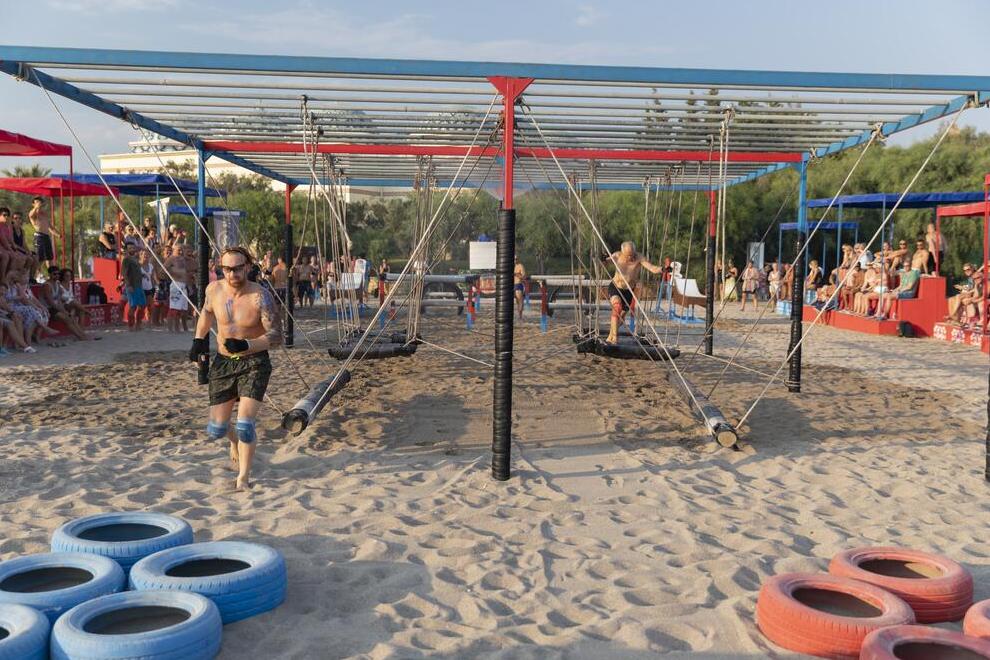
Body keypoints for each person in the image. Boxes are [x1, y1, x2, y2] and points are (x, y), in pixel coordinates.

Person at [190, 246, 282, 491]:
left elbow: (276, 335)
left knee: (245, 425)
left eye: (238, 268)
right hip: (223, 362)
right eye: (227, 269)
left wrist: (246, 344)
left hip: (254, 362)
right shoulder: (214, 290)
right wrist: (198, 341)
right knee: (216, 429)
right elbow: (206, 314)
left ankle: (243, 477)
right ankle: (233, 443)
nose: (232, 274)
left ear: (248, 267)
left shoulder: (260, 296)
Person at [601, 241, 663, 344]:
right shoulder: (617, 256)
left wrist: (663, 269)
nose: (630, 257)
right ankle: (615, 339)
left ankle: (610, 336)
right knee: (617, 307)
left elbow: (652, 268)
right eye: (628, 255)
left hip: (629, 291)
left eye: (632, 254)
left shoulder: (639, 258)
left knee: (621, 317)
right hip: (616, 287)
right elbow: (606, 263)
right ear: (622, 252)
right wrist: (603, 259)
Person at [28, 197, 58, 272]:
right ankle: (34, 275)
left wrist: (58, 234)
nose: (39, 203)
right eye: (37, 202)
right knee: (40, 258)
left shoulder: (44, 214)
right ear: (33, 204)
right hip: (39, 237)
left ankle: (51, 274)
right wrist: (36, 207)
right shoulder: (33, 214)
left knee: (49, 258)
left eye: (40, 202)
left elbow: (50, 226)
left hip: (46, 237)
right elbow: (30, 215)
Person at [121, 243, 146, 331]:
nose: (132, 249)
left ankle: (138, 323)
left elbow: (136, 271)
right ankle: (130, 325)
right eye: (130, 248)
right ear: (127, 250)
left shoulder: (135, 259)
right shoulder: (126, 259)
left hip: (139, 285)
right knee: (133, 306)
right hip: (132, 286)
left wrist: (142, 275)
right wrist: (128, 285)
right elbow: (125, 274)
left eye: (133, 248)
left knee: (142, 305)